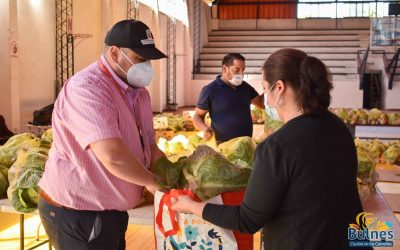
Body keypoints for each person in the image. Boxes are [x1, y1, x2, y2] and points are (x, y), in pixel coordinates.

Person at [172, 48, 371, 250]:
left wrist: (193, 207)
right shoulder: (338, 127)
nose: (264, 97)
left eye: (266, 89)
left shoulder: (277, 147)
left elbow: (247, 220)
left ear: (279, 88)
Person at [38, 19, 167, 250]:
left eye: (148, 59)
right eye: (140, 59)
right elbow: (113, 156)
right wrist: (153, 182)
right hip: (78, 213)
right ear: (115, 53)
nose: (146, 66)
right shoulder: (88, 88)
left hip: (110, 212)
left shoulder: (140, 95)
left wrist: (172, 175)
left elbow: (150, 146)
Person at [193, 53, 264, 143]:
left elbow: (262, 103)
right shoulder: (210, 90)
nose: (241, 74)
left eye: (243, 70)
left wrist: (269, 85)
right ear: (224, 69)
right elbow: (197, 116)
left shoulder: (245, 87)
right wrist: (205, 128)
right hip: (222, 146)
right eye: (237, 70)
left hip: (245, 145)